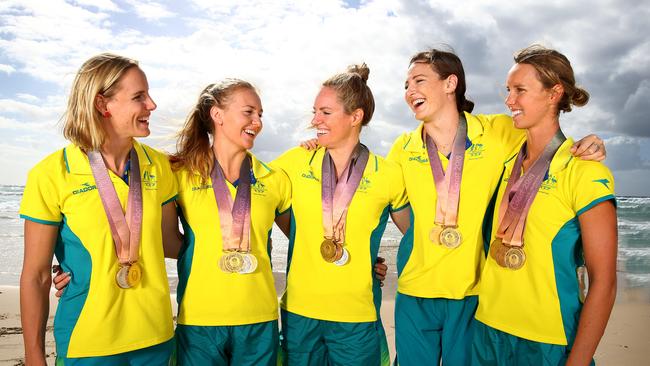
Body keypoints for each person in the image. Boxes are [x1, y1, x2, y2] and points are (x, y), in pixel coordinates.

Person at [385, 48, 606, 365]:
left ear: (450, 83)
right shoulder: (402, 147)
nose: (410, 92)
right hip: (414, 290)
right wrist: (419, 235)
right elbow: (391, 203)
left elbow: (548, 143)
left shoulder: (499, 132)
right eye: (406, 85)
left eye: (418, 81)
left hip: (473, 295)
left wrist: (591, 140)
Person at [19, 53, 176, 365]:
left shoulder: (159, 165)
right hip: (87, 342)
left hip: (156, 338)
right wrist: (35, 356)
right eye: (139, 97)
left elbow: (172, 243)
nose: (152, 105)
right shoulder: (52, 173)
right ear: (103, 104)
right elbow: (36, 275)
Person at [472, 45, 617, 365]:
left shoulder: (585, 172)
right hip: (485, 331)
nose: (509, 100)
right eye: (508, 90)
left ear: (554, 93)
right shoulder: (503, 162)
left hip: (547, 341)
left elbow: (604, 283)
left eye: (520, 90)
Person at [272, 63, 410, 366]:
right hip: (299, 313)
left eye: (325, 112)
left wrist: (367, 259)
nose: (314, 120)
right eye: (315, 111)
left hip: (356, 316)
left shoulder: (388, 174)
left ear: (355, 116)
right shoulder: (296, 161)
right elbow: (250, 196)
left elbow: (417, 236)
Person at [168, 79, 291, 365]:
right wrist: (69, 269)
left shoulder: (274, 179)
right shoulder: (179, 174)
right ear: (217, 114)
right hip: (198, 319)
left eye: (260, 114)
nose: (257, 122)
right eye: (249, 112)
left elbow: (306, 237)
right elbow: (149, 233)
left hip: (259, 319)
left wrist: (366, 259)